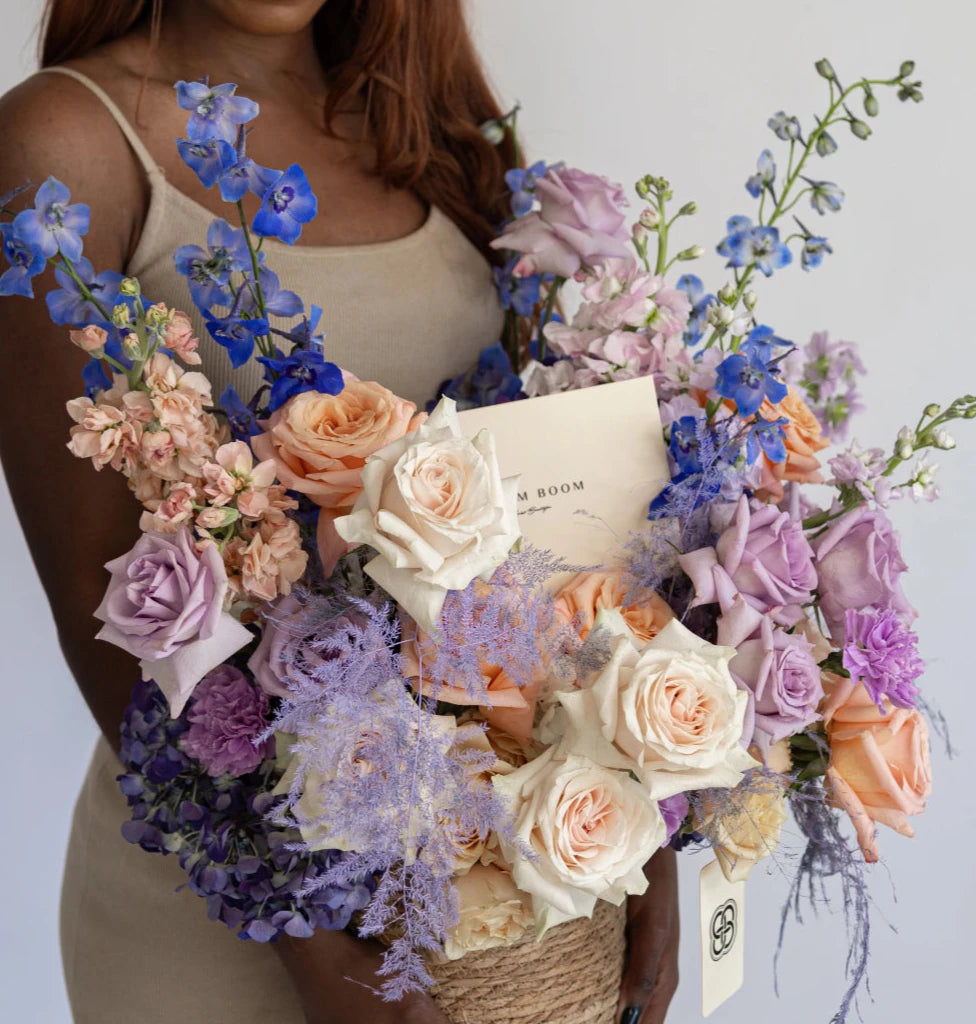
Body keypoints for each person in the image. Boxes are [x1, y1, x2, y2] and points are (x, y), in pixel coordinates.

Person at [0, 1, 680, 1022]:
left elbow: (564, 527)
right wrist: (323, 955)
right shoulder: (64, 140)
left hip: (495, 892)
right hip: (227, 927)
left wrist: (646, 822)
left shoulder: (424, 116)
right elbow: (110, 618)